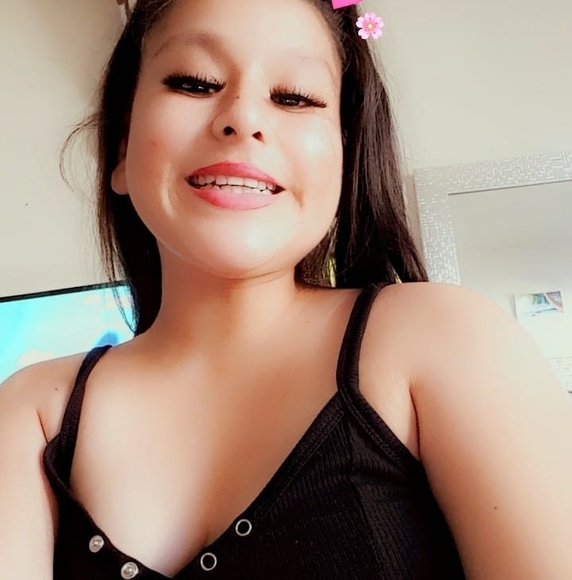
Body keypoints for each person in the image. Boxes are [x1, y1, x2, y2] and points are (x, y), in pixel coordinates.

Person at [1, 0, 572, 578]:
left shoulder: (442, 339)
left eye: (295, 97)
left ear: (347, 156)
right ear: (121, 147)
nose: (243, 118)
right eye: (195, 82)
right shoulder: (33, 413)